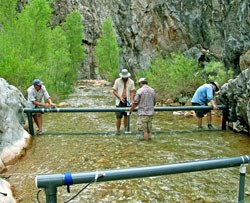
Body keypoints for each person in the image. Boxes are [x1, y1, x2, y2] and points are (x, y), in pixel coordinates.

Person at [113, 69, 135, 134]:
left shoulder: (131, 82)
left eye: (126, 77)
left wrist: (131, 101)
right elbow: (114, 90)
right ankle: (118, 130)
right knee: (118, 117)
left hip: (127, 101)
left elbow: (132, 92)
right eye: (124, 77)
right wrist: (120, 98)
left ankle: (126, 130)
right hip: (119, 101)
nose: (125, 78)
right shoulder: (117, 81)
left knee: (126, 116)